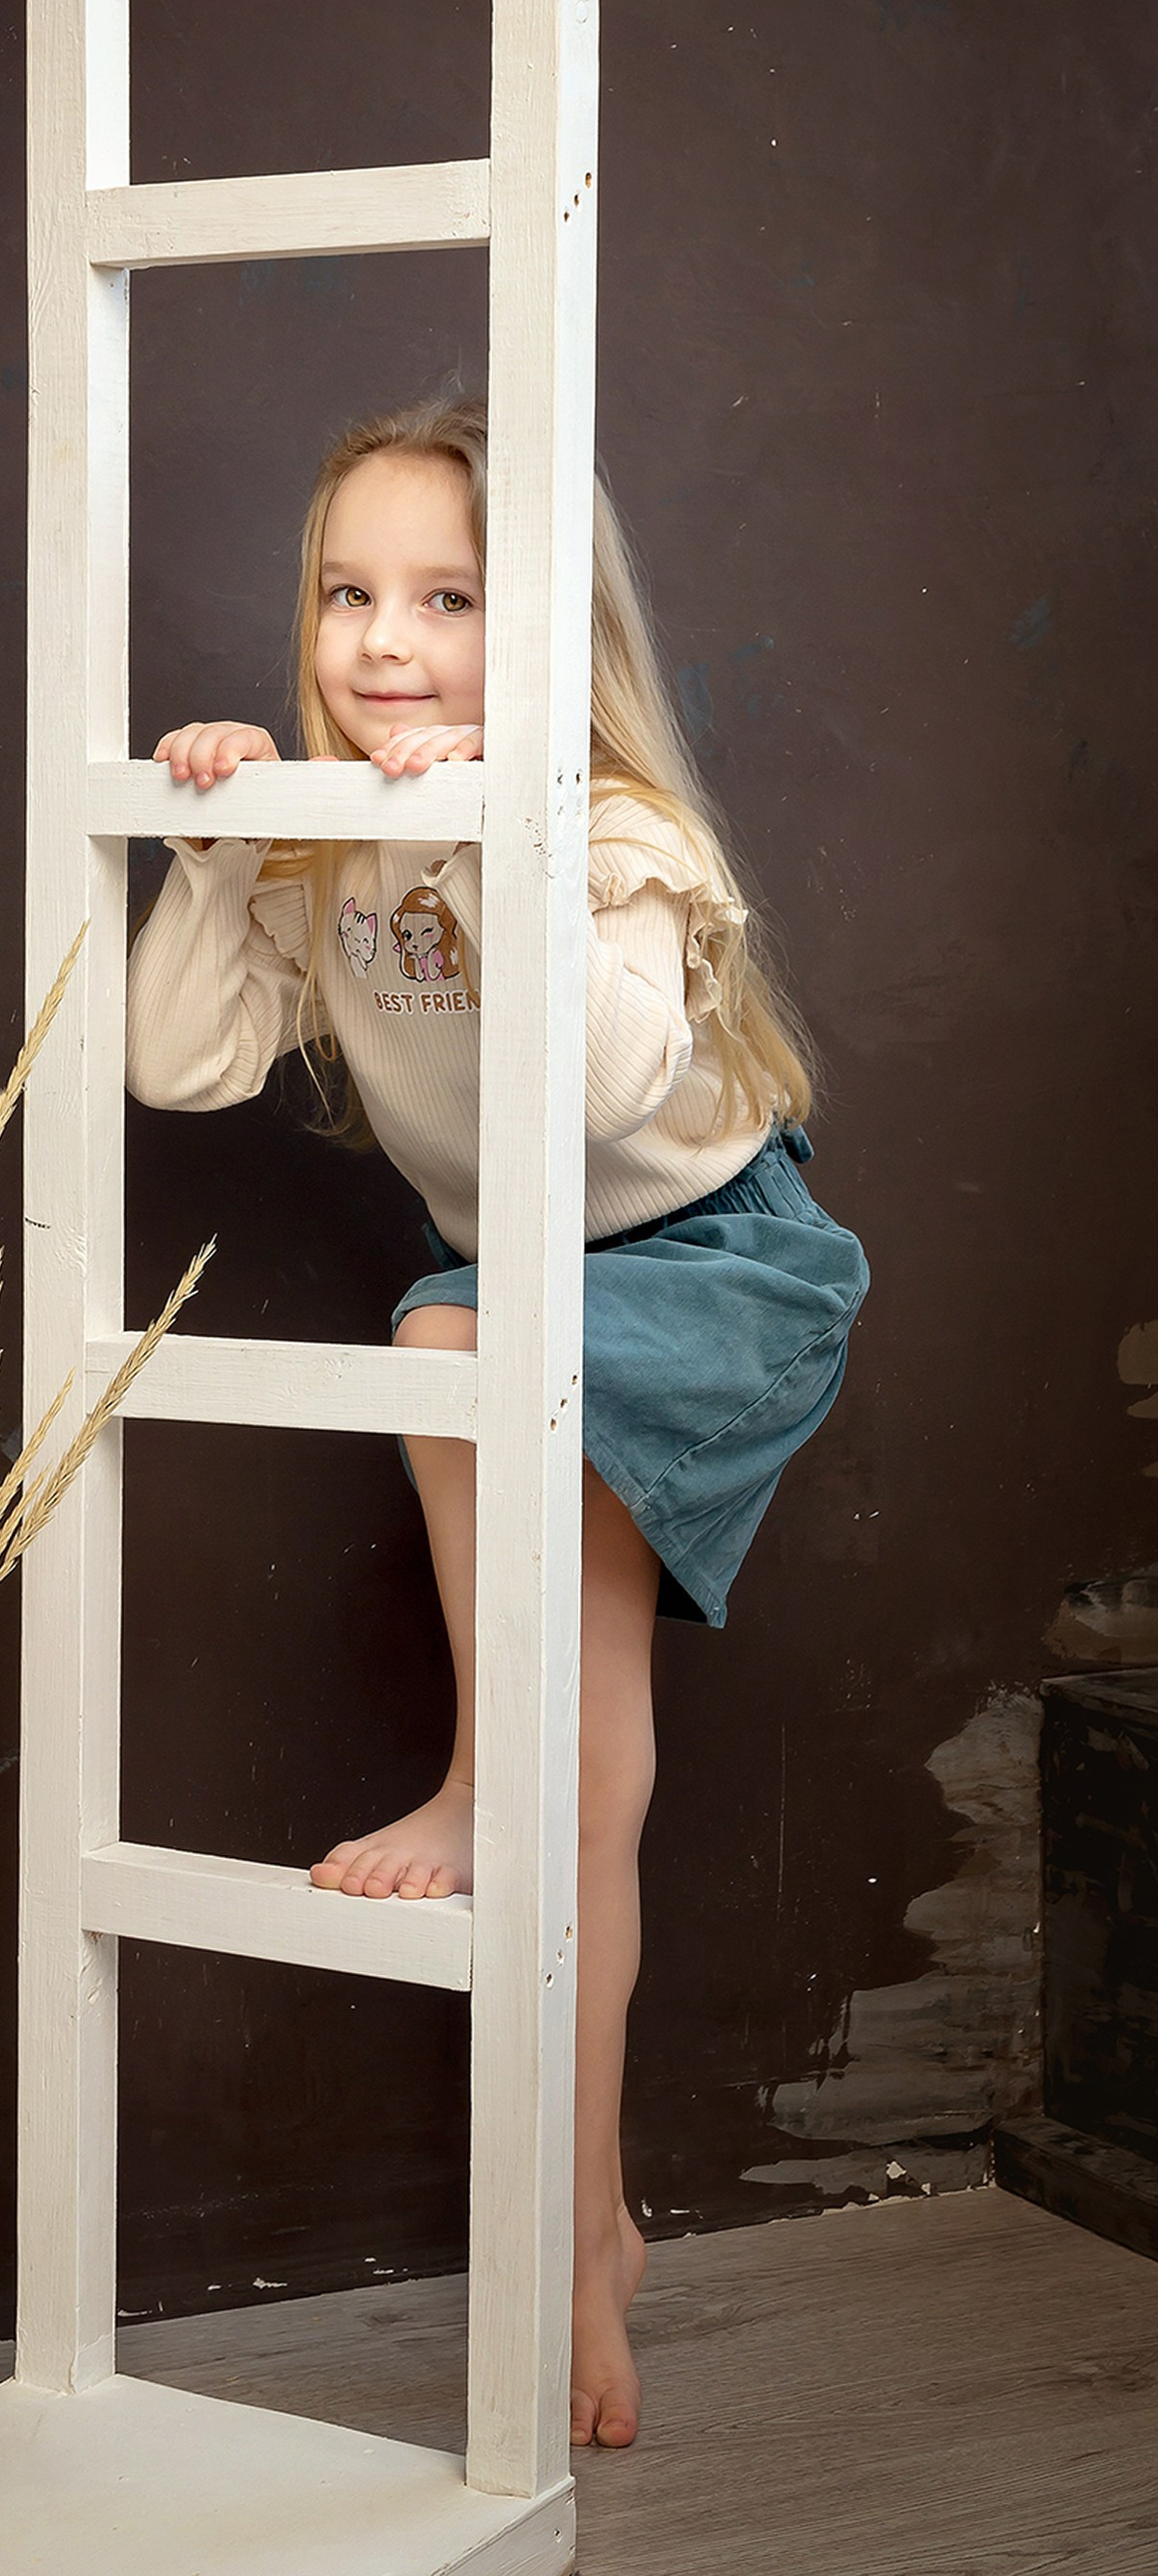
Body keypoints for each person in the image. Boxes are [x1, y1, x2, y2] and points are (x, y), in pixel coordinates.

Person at [123, 392, 869, 2453]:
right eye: (348, 593)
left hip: (709, 1263)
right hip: (523, 1286)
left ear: (545, 628)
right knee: (590, 1778)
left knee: (459, 1365)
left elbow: (616, 1084)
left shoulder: (618, 835)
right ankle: (587, 2229)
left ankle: (475, 1796)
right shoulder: (332, 835)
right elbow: (181, 1062)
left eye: (448, 600)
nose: (386, 641)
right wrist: (222, 848)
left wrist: (501, 831)